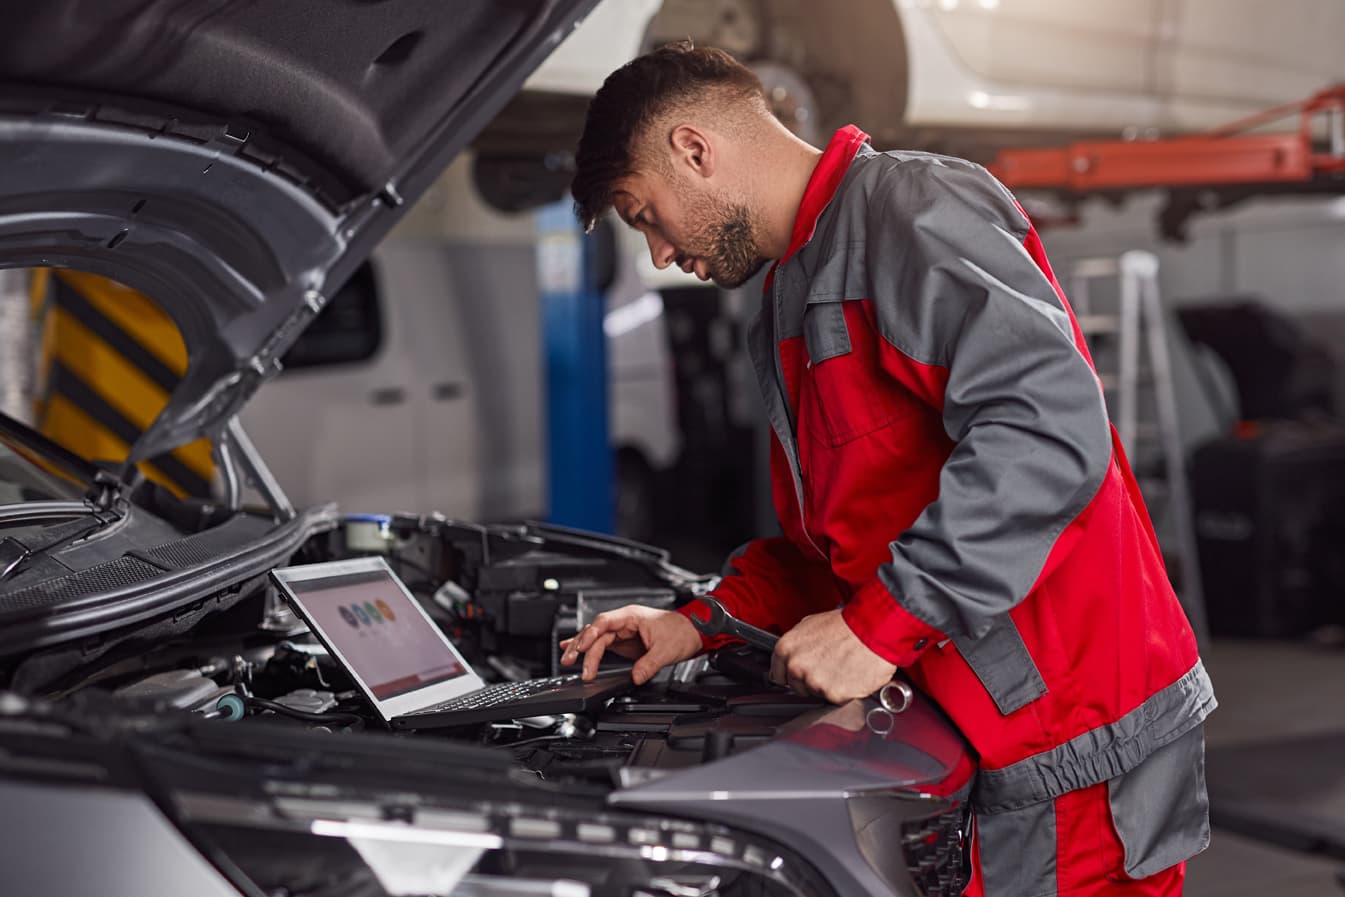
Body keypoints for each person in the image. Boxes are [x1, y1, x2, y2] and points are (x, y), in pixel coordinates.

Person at [559, 42, 1215, 897]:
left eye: (641, 213)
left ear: (693, 149)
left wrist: (882, 623)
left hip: (1075, 739)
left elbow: (1046, 431)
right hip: (986, 734)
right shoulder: (791, 294)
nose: (654, 252)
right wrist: (704, 618)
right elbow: (841, 543)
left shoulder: (910, 209)